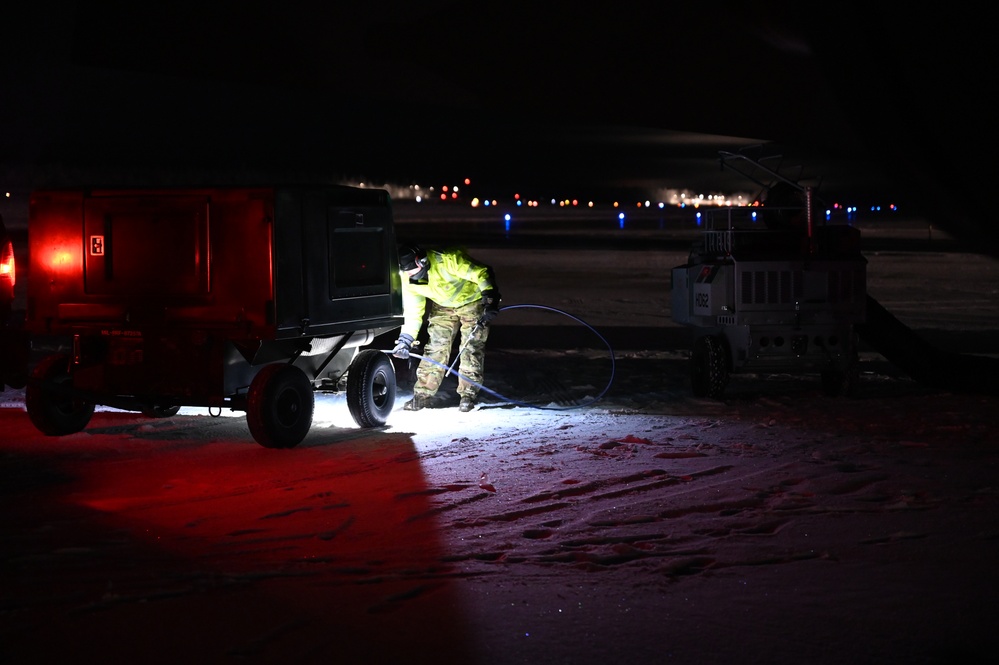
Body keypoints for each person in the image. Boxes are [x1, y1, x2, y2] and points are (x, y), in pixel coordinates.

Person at [392, 243, 501, 412]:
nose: (410, 274)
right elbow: (413, 310)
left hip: (472, 302)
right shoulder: (408, 280)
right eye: (406, 272)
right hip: (443, 306)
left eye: (412, 270)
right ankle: (423, 394)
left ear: (422, 261)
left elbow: (481, 272)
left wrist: (489, 296)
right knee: (435, 347)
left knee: (470, 348)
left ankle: (468, 395)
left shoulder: (447, 260)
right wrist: (405, 339)